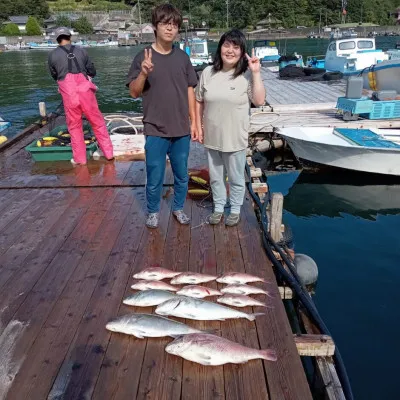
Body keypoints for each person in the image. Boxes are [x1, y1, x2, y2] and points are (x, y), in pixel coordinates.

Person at [126, 4, 198, 229]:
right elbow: (134, 92)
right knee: (154, 174)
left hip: (181, 129)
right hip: (155, 128)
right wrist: (144, 73)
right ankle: (153, 211)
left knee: (182, 175)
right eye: (165, 24)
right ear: (155, 27)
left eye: (175, 25)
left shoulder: (183, 58)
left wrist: (195, 122)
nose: (170, 29)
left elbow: (190, 91)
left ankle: (177, 208)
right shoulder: (143, 56)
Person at [195, 29, 266, 226]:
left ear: (242, 51)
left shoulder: (245, 75)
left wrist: (256, 73)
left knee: (235, 177)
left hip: (236, 138)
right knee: (216, 177)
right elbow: (199, 100)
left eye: (236, 47)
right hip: (212, 136)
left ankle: (234, 209)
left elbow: (259, 100)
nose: (230, 50)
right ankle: (218, 207)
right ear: (220, 48)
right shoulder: (208, 73)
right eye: (227, 45)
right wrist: (198, 126)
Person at [48, 27, 114, 165]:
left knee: (74, 126)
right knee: (98, 122)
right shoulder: (81, 50)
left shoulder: (52, 55)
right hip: (85, 92)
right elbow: (92, 70)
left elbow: (54, 75)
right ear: (69, 36)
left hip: (69, 94)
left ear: (57, 38)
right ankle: (108, 154)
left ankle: (80, 160)